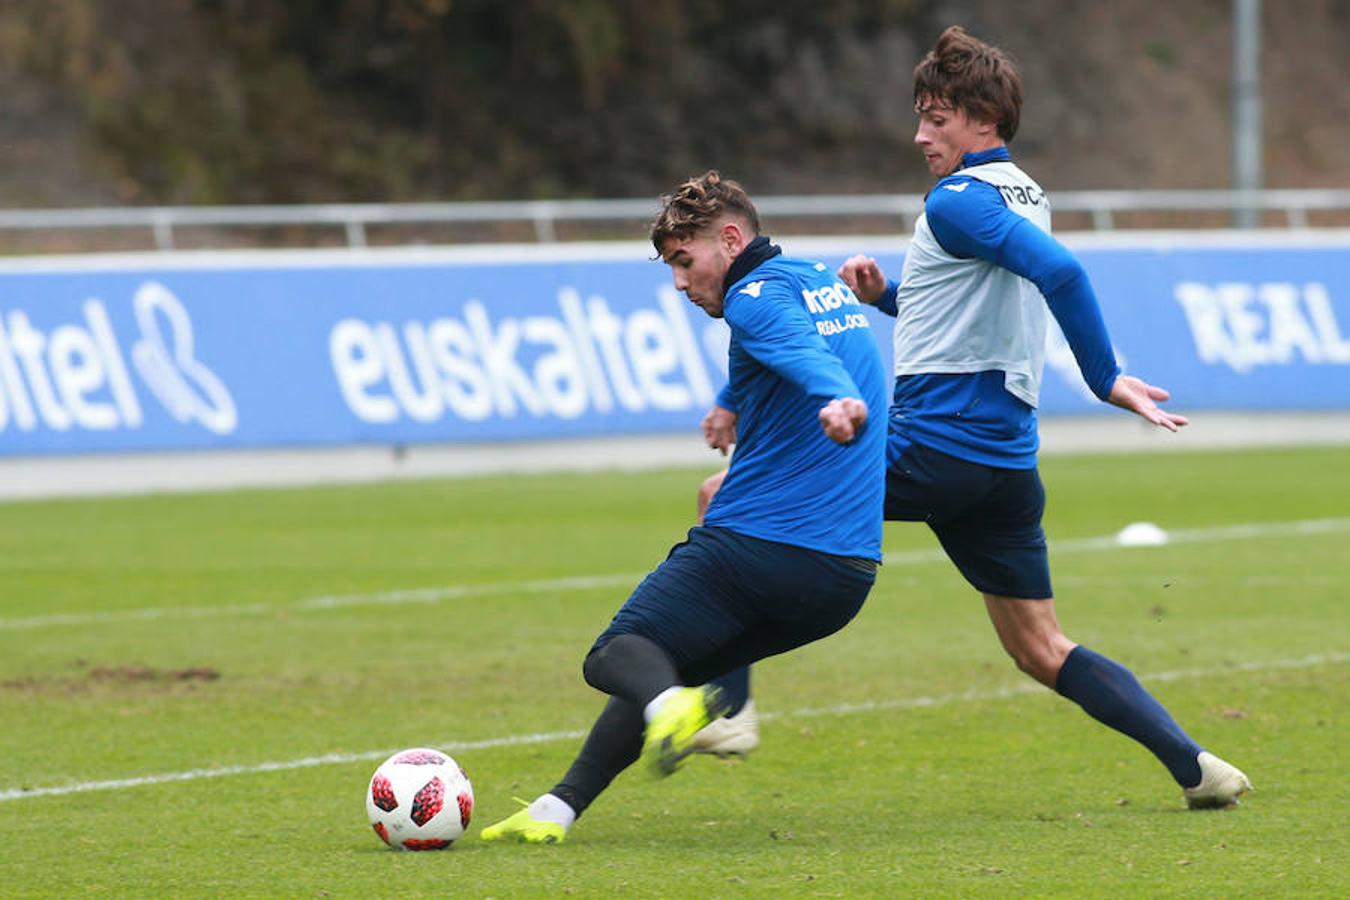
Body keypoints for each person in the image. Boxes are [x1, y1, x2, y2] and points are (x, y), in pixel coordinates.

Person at [691, 25, 1252, 811]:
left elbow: (1061, 273)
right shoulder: (1021, 192)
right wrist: (886, 294)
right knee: (1041, 648)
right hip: (1003, 470)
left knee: (727, 495)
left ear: (982, 119)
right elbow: (978, 308)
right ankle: (1198, 767)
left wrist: (1105, 378)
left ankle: (730, 708)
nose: (921, 135)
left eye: (937, 119)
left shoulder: (956, 202)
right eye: (921, 117)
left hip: (934, 450)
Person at [480, 170, 889, 844]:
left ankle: (687, 707)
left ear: (729, 239)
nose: (678, 282)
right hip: (843, 579)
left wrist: (837, 397)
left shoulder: (753, 300)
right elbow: (782, 338)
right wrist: (733, 399)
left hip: (761, 549)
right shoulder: (814, 279)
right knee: (669, 667)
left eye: (684, 260)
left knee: (616, 653)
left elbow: (799, 350)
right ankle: (557, 810)